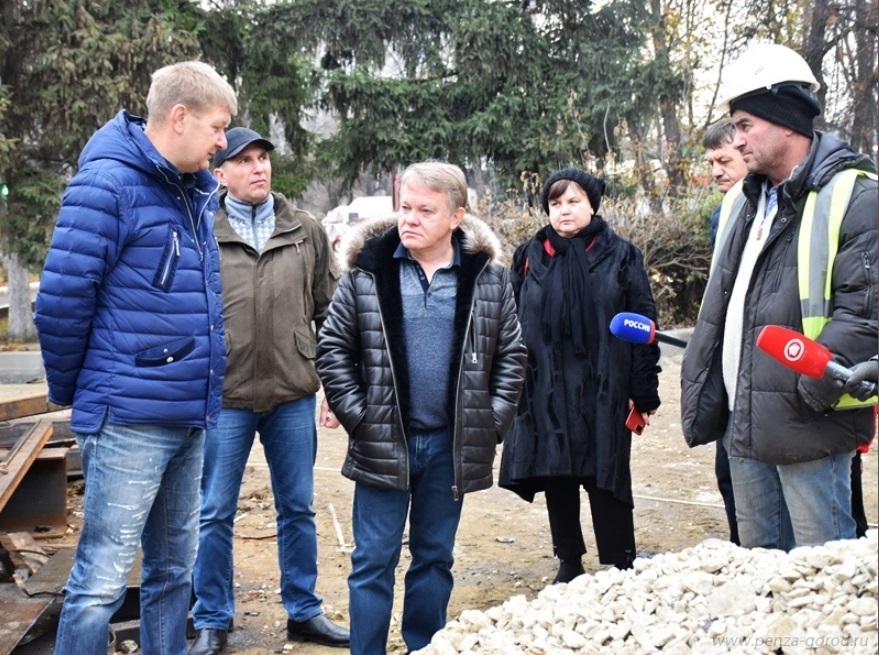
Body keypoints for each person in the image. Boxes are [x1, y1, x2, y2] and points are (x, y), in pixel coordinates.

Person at [33, 61, 237, 655]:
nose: (223, 142)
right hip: (127, 419)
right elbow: (62, 303)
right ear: (179, 117)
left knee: (174, 574)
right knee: (99, 582)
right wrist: (79, 392)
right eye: (217, 127)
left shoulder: (188, 191)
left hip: (186, 415)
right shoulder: (107, 186)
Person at [315, 161, 526, 655]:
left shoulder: (488, 279)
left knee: (434, 558)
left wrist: (489, 423)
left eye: (425, 210)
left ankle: (424, 647)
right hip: (384, 442)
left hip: (450, 444)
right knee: (372, 561)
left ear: (456, 216)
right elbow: (333, 350)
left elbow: (512, 355)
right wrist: (361, 419)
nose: (409, 219)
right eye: (404, 207)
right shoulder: (368, 273)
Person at [681, 43, 878, 551]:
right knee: (758, 583)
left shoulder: (856, 196)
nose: (737, 139)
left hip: (808, 424)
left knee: (819, 584)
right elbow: (726, 308)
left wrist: (807, 396)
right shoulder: (743, 204)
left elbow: (865, 314)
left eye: (746, 125)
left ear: (787, 120)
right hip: (744, 424)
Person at [188, 128, 347, 655]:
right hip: (224, 395)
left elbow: (330, 311)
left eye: (264, 159)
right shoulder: (201, 229)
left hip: (292, 392)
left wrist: (332, 384)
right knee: (214, 510)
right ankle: (212, 617)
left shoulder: (304, 229)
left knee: (297, 506)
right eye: (245, 160)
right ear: (220, 173)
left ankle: (303, 611)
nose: (259, 168)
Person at [498, 167, 662, 582]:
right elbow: (511, 320)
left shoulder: (621, 255)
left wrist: (643, 389)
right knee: (557, 471)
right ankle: (568, 559)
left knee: (606, 471)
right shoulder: (529, 256)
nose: (564, 211)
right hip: (545, 384)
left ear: (592, 204)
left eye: (573, 201)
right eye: (555, 203)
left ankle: (620, 557)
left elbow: (644, 323)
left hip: (605, 383)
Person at [702, 119, 748, 546]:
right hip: (728, 362)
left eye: (724, 159)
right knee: (728, 470)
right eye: (711, 162)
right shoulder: (723, 213)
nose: (716, 170)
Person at [704, 118, 749, 248]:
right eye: (712, 164)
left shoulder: (772, 206)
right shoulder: (720, 213)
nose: (715, 173)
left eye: (724, 161)